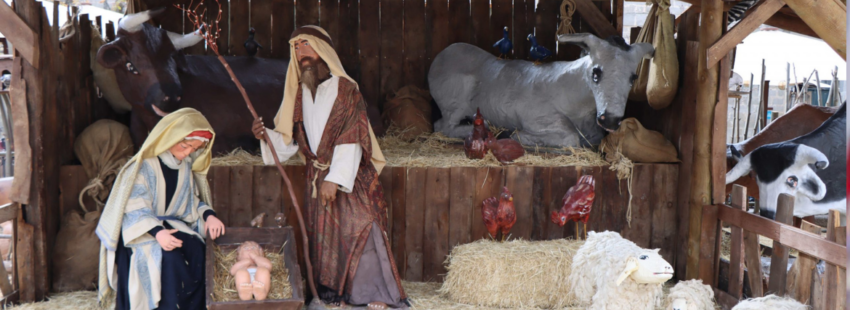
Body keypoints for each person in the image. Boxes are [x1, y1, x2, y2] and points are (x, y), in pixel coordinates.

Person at [252, 25, 408, 309]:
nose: (301, 53)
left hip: (350, 179)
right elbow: (293, 142)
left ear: (322, 50)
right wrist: (266, 136)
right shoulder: (300, 94)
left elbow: (352, 136)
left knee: (362, 227)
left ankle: (374, 294)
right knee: (328, 241)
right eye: (296, 48)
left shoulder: (346, 90)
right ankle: (337, 296)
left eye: (306, 45)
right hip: (318, 177)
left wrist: (334, 179)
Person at [96, 108, 226, 310]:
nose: (188, 152)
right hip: (142, 230)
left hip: (171, 226)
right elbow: (134, 208)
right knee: (170, 259)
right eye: (185, 146)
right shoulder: (143, 166)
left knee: (198, 251)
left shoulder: (184, 167)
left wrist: (209, 216)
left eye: (194, 148)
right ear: (170, 137)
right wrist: (158, 233)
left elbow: (190, 203)